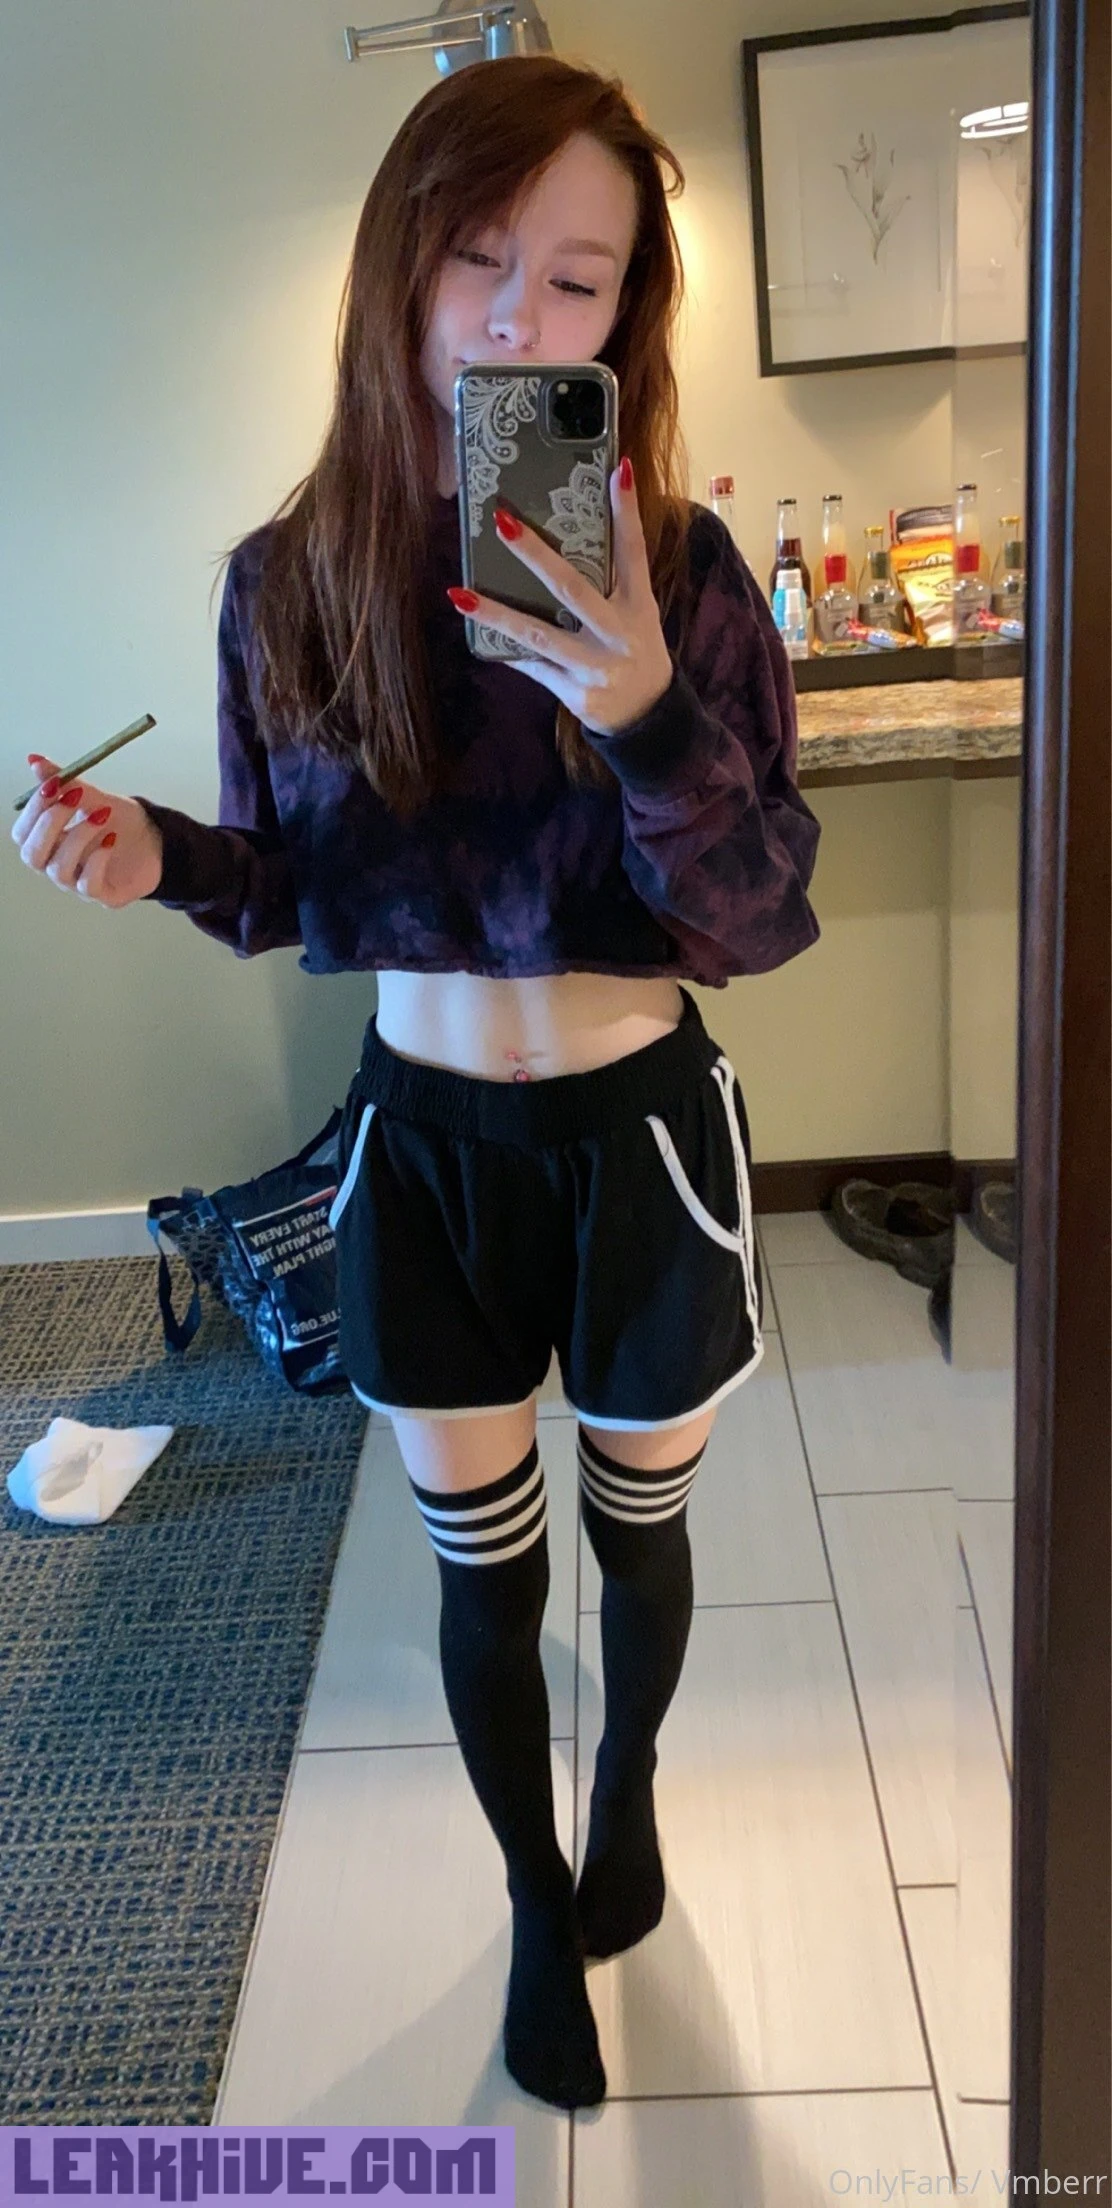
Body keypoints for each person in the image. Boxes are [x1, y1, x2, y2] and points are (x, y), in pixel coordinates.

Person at [11, 54, 822, 2112]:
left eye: (580, 281)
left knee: (639, 1531)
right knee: (484, 1563)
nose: (521, 319)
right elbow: (302, 888)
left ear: (623, 321)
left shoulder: (683, 575)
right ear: (399, 267)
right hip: (426, 1140)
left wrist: (644, 711)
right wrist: (158, 856)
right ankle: (537, 1904)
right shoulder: (287, 580)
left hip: (641, 1134)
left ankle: (629, 1789)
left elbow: (755, 908)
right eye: (479, 259)